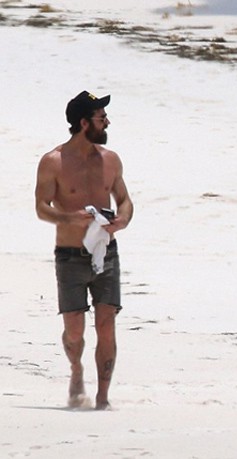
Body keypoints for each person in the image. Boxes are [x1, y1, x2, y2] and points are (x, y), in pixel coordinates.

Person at [35, 91, 134, 410]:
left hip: (105, 252)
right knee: (74, 331)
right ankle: (76, 370)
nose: (107, 122)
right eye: (101, 117)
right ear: (83, 122)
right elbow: (40, 207)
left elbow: (125, 199)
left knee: (106, 322)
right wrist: (69, 218)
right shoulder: (53, 162)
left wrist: (122, 220)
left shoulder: (111, 159)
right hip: (69, 255)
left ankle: (103, 397)